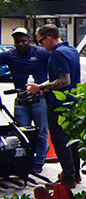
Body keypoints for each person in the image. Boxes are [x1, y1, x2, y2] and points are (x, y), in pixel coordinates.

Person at [26, 24, 82, 188]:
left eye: (41, 41)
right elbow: (62, 79)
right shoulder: (71, 50)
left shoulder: (57, 54)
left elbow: (65, 80)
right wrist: (43, 85)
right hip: (73, 102)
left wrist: (41, 88)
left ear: (49, 38)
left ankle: (68, 178)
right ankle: (75, 173)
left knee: (60, 140)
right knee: (72, 140)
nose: (40, 46)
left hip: (59, 104)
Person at [0, 27, 51, 175]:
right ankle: (24, 161)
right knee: (22, 132)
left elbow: (54, 67)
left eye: (23, 41)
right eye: (17, 42)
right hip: (21, 100)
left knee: (42, 131)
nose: (21, 44)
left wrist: (46, 86)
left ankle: (39, 161)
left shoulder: (41, 53)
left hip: (39, 99)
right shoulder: (9, 55)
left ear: (29, 40)